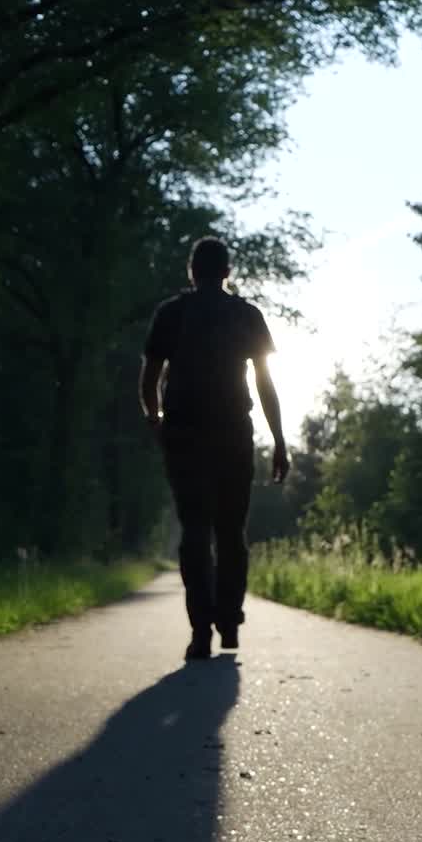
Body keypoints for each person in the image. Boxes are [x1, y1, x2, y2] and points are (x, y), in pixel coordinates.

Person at [139, 236, 289, 661]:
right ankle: (229, 620)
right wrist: (279, 440)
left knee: (195, 530)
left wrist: (155, 420)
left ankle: (201, 629)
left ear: (191, 271)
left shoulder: (171, 313)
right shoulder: (246, 314)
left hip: (183, 433)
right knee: (230, 531)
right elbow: (265, 382)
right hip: (233, 434)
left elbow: (150, 377)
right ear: (227, 272)